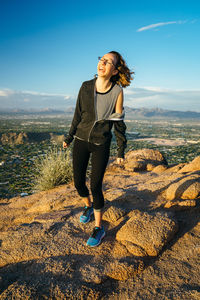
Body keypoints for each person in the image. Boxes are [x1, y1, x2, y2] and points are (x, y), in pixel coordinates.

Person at [63, 51, 133, 247]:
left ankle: (99, 227)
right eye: (100, 60)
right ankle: (88, 206)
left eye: (107, 62)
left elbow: (119, 123)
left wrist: (121, 150)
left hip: (101, 143)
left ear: (115, 70)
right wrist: (69, 137)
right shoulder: (85, 86)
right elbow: (77, 115)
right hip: (81, 140)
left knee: (95, 186)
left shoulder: (117, 92)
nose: (101, 63)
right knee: (78, 182)